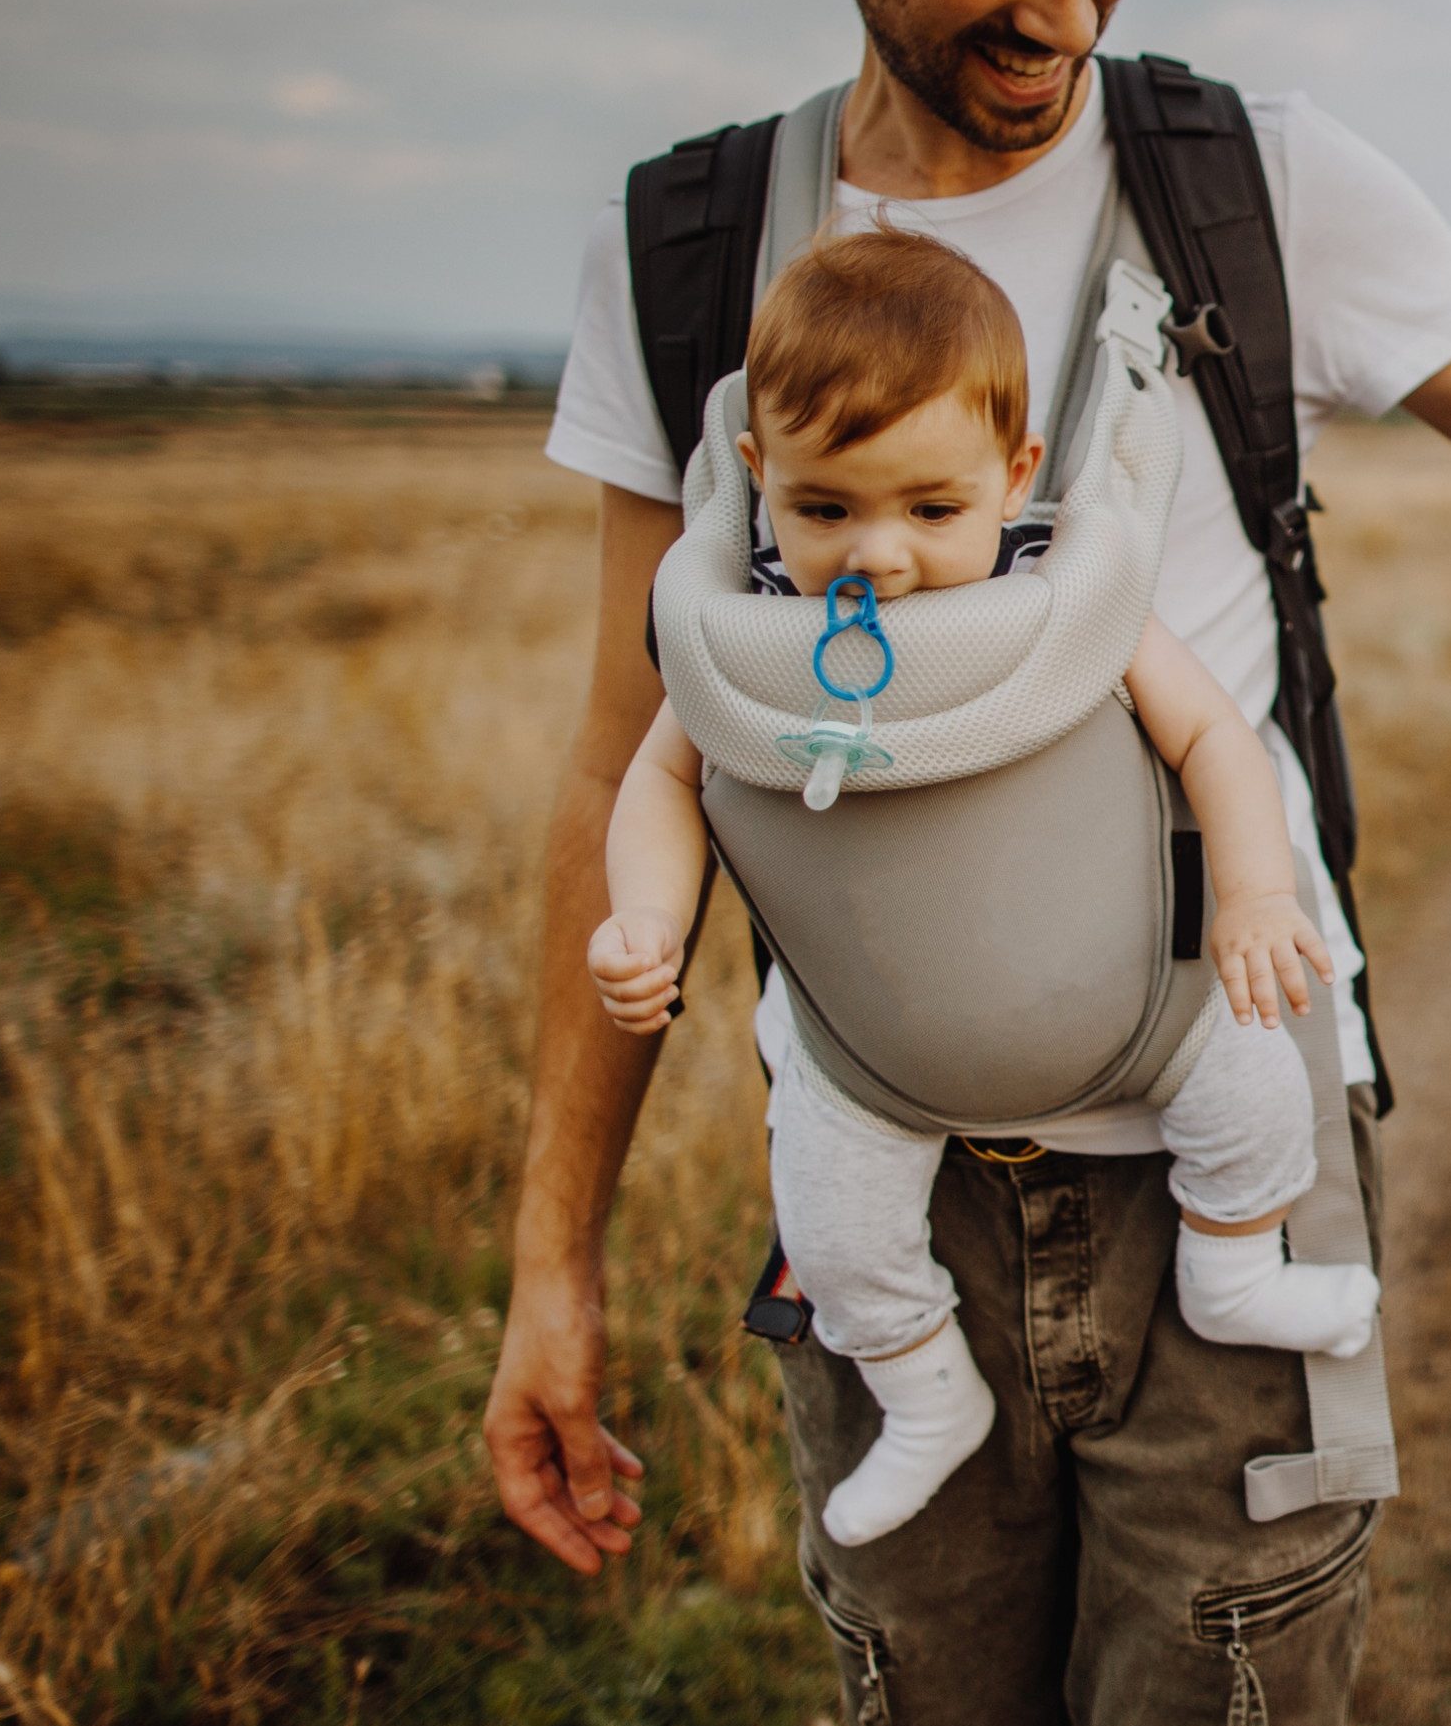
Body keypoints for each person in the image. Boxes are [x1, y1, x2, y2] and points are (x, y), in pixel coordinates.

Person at [479, 0, 1451, 1726]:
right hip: (874, 1199)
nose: (1067, 5)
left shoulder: (1261, 182)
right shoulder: (689, 251)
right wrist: (551, 1259)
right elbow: (624, 754)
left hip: (1230, 1179)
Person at [587, 228, 1378, 1550]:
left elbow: (1212, 738)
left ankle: (1235, 1267)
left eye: (932, 510)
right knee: (832, 1229)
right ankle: (924, 1393)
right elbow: (661, 780)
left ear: (1016, 477)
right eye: (824, 507)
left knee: (1255, 1077)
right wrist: (646, 922)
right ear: (755, 475)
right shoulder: (752, 640)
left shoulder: (1066, 595)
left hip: (1143, 1012)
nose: (875, 556)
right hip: (872, 1056)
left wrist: (1249, 895)